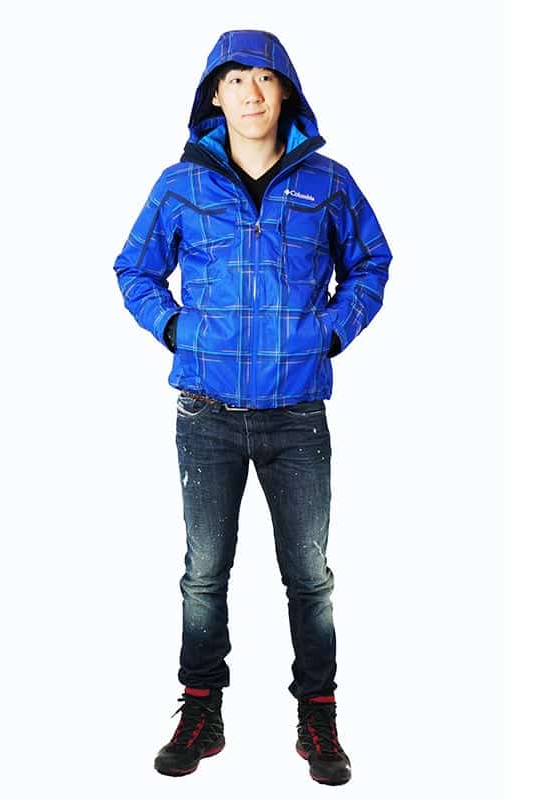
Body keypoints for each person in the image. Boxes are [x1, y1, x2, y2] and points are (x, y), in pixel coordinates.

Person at [113, 29, 392, 786]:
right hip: (206, 414)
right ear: (215, 95)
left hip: (296, 416)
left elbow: (372, 260)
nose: (251, 92)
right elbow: (134, 268)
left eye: (265, 79)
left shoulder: (327, 183)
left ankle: (319, 713)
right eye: (235, 79)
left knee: (309, 575)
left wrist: (329, 332)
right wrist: (176, 329)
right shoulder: (181, 184)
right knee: (205, 572)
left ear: (286, 92)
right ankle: (201, 709)